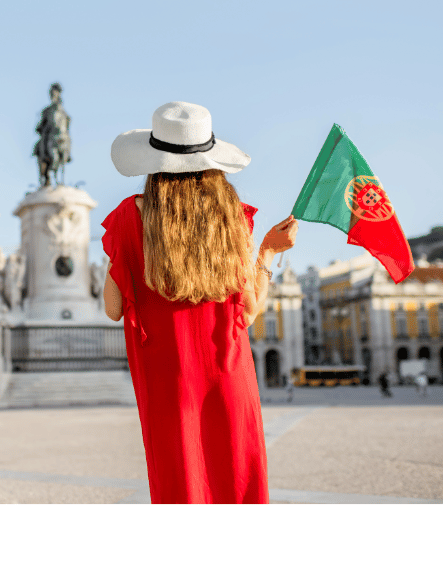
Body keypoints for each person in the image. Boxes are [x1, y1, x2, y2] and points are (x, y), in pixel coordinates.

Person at [102, 101, 298, 504]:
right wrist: (269, 252)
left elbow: (113, 307)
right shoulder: (232, 217)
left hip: (167, 380)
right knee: (236, 483)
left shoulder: (127, 218)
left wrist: (124, 255)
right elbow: (250, 309)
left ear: (154, 163)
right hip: (228, 371)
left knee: (180, 484)